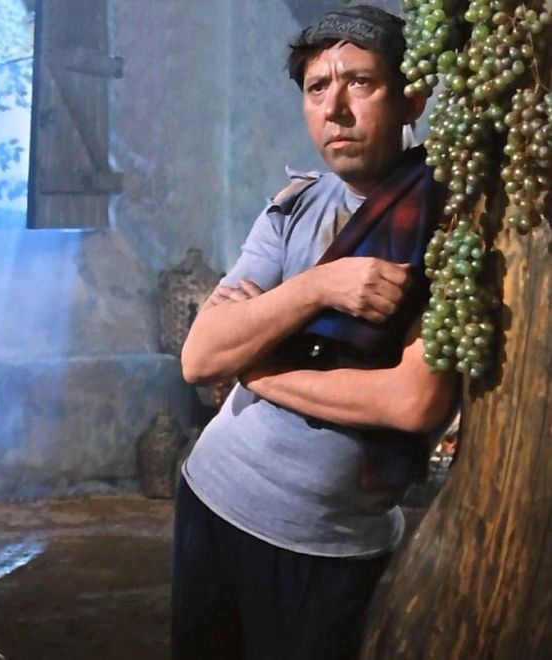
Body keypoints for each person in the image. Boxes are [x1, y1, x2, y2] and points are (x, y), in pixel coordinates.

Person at [172, 6, 458, 659]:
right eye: (316, 87)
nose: (335, 109)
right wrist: (319, 286)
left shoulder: (445, 226)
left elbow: (414, 402)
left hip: (330, 542)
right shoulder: (292, 208)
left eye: (360, 82)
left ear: (413, 97)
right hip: (212, 495)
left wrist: (259, 369)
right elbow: (201, 358)